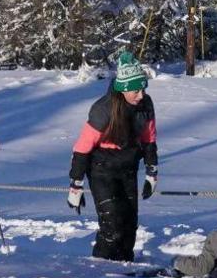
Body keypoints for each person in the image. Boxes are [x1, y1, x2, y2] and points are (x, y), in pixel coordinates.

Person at [67, 51, 159, 262]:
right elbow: (82, 148)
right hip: (102, 169)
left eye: (143, 88)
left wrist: (152, 172)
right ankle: (101, 267)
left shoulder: (145, 105)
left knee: (129, 226)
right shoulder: (103, 109)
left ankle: (124, 266)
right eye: (136, 90)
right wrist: (76, 184)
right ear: (124, 89)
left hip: (128, 168)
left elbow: (149, 139)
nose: (141, 94)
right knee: (113, 226)